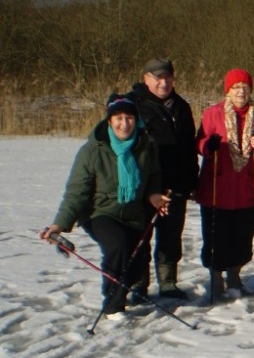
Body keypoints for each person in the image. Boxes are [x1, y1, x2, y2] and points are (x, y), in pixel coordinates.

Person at [39, 94, 170, 318]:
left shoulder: (146, 145)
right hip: (100, 212)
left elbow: (153, 175)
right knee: (118, 247)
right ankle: (112, 306)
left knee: (137, 263)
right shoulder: (92, 150)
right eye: (118, 118)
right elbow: (77, 191)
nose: (124, 123)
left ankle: (123, 290)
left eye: (129, 118)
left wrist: (155, 195)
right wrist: (60, 224)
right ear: (109, 121)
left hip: (134, 213)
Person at [128, 58, 199, 300]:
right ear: (146, 78)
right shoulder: (133, 105)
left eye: (168, 77)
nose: (164, 83)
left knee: (171, 235)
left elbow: (189, 148)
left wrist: (192, 181)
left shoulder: (181, 106)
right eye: (158, 78)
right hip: (144, 186)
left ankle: (168, 281)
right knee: (141, 237)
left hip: (175, 184)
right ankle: (139, 284)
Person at [194, 69, 254, 298]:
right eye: (235, 87)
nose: (240, 92)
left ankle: (234, 275)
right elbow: (199, 143)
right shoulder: (213, 113)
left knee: (243, 236)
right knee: (216, 236)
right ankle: (216, 277)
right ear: (227, 91)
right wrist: (208, 145)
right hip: (217, 186)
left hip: (244, 187)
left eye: (245, 87)